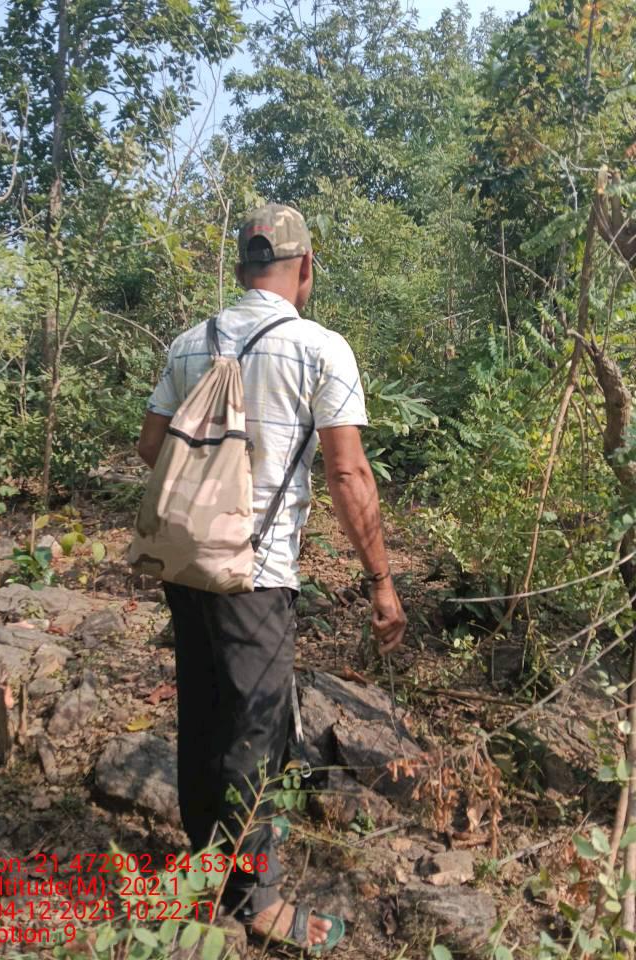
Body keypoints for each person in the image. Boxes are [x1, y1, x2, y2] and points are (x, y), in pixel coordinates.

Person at [136, 203, 407, 950]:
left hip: (186, 560)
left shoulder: (190, 342)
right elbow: (348, 473)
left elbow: (151, 446)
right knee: (253, 732)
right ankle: (254, 899)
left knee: (203, 712)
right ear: (305, 267)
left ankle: (209, 861)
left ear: (240, 267)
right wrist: (381, 581)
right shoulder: (320, 349)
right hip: (255, 572)